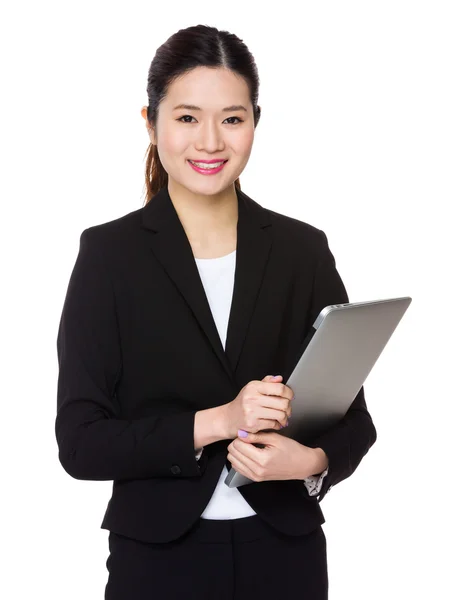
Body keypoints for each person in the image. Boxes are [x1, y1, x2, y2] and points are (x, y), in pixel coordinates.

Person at [55, 24, 377, 600]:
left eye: (232, 118)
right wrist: (219, 421)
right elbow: (81, 444)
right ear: (150, 123)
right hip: (157, 560)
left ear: (256, 121)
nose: (210, 141)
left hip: (286, 555)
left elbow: (356, 421)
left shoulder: (303, 250)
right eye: (186, 117)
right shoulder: (109, 256)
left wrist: (311, 461)